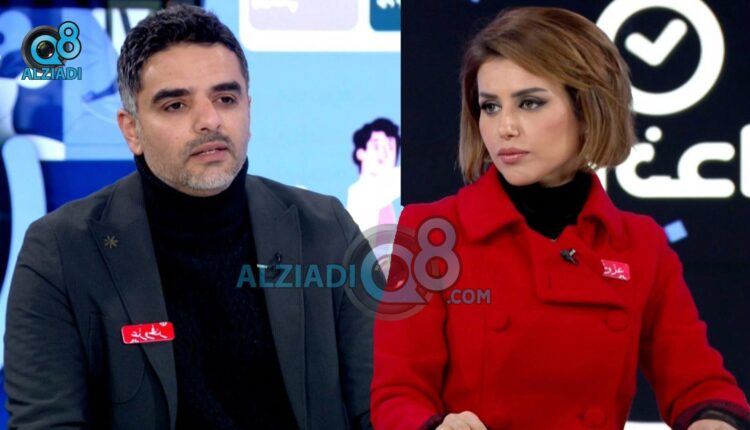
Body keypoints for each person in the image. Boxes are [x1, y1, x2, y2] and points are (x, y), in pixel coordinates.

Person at [371, 7, 749, 430]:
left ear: (588, 107)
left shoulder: (642, 243)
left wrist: (712, 421)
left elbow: (701, 386)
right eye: (490, 106)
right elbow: (397, 393)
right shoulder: (430, 231)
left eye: (530, 103)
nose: (504, 127)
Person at [4, 5, 374, 430]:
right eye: (176, 104)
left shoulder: (325, 227)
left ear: (248, 109)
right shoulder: (60, 251)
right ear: (131, 130)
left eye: (226, 99)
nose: (209, 121)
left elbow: (383, 402)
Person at [346, 118, 401, 233]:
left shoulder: (388, 198)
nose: (384, 153)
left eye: (390, 148)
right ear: (360, 153)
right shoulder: (360, 192)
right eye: (377, 146)